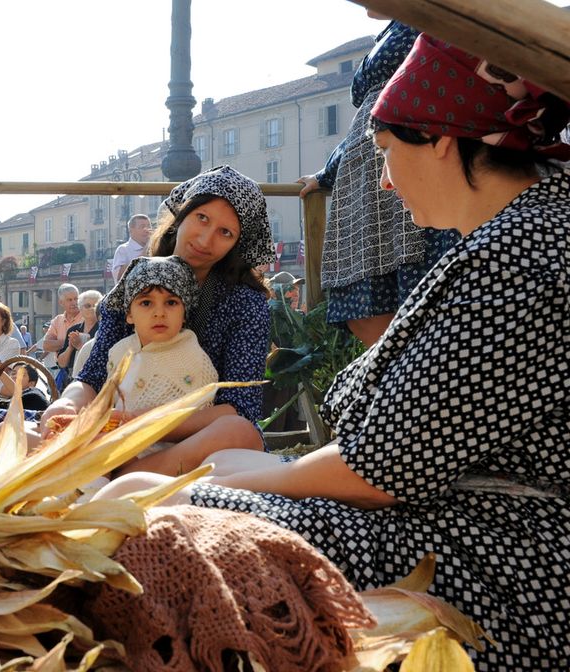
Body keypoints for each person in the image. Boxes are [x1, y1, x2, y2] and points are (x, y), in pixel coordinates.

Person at [101, 38, 570, 669]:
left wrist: (226, 478)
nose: (383, 180)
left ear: (439, 138)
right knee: (190, 472)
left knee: (138, 504)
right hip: (453, 512)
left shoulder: (515, 257)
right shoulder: (514, 235)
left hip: (495, 557)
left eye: (385, 151)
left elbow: (379, 472)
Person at [38, 165, 276, 456]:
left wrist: (139, 424)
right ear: (182, 214)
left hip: (198, 442)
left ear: (237, 244)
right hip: (119, 436)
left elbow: (239, 408)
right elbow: (93, 376)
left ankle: (135, 472)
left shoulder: (246, 304)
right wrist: (66, 405)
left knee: (238, 431)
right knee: (11, 433)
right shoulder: (136, 279)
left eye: (225, 232)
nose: (205, 240)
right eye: (202, 218)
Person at [297, 15, 457, 347]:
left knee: (412, 280)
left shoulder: (430, 16)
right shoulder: (390, 30)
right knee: (364, 298)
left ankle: (413, 368)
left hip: (403, 166)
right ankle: (393, 370)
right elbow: (367, 120)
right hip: (363, 178)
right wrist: (327, 173)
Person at [100, 256, 222, 475]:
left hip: (166, 460)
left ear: (184, 313)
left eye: (171, 303)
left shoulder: (192, 358)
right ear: (129, 314)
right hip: (115, 449)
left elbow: (198, 421)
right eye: (146, 303)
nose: (159, 313)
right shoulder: (118, 351)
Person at [55, 289, 101, 388]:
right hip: (71, 380)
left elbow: (101, 359)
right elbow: (62, 364)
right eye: (88, 306)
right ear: (80, 308)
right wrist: (70, 347)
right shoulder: (73, 330)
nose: (92, 308)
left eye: (96, 305)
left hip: (94, 381)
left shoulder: (104, 330)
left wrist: (80, 346)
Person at [39, 283, 81, 370]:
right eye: (69, 300)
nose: (74, 302)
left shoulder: (86, 317)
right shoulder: (57, 320)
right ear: (61, 302)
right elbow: (46, 345)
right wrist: (71, 343)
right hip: (63, 369)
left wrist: (58, 344)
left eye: (76, 298)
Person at [111, 213, 153, 281]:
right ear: (131, 231)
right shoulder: (123, 250)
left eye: (149, 226)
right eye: (142, 227)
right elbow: (119, 277)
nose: (147, 230)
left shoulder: (156, 248)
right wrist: (146, 249)